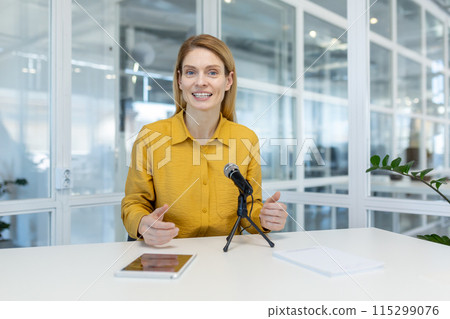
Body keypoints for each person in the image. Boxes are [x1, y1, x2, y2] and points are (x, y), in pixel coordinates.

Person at [121, 34, 288, 246]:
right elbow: (134, 204)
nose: (201, 82)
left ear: (228, 81)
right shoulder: (151, 137)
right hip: (170, 254)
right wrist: (143, 223)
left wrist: (264, 218)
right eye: (191, 72)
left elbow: (249, 208)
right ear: (180, 80)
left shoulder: (246, 139)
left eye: (212, 72)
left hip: (227, 259)